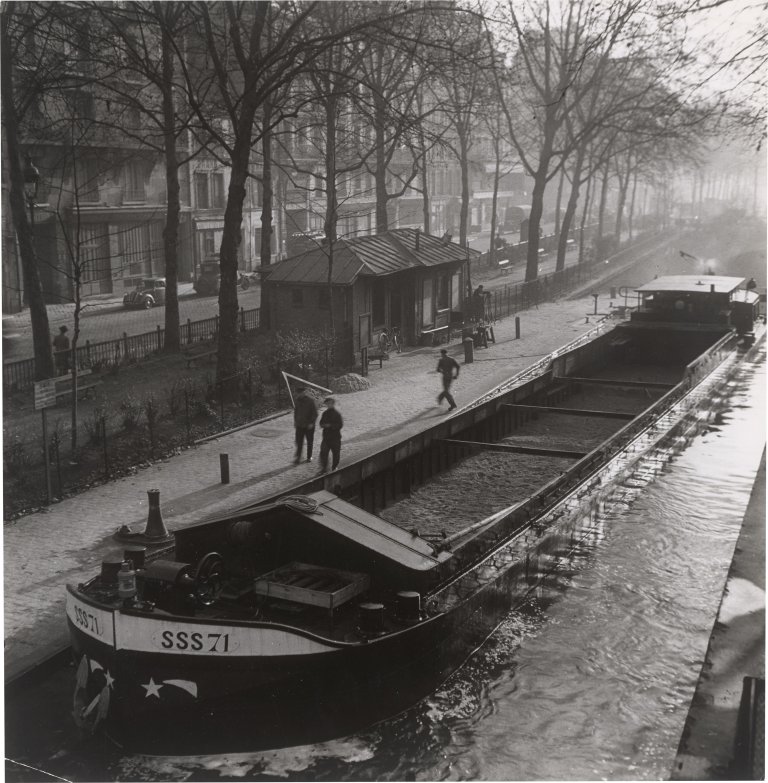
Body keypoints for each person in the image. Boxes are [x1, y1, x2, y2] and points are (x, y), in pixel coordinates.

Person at [292, 386, 318, 465]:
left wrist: (311, 423)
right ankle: (298, 458)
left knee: (309, 441)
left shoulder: (310, 401)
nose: (299, 394)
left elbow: (315, 414)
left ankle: (309, 456)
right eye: (298, 393)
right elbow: (296, 412)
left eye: (300, 393)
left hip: (309, 426)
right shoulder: (297, 401)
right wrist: (295, 421)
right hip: (300, 425)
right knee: (299, 442)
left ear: (304, 393)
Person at [318, 397, 343, 474]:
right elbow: (321, 423)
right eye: (327, 404)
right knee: (323, 453)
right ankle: (324, 468)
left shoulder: (337, 414)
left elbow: (340, 425)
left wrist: (330, 425)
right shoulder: (325, 413)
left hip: (335, 437)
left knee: (336, 453)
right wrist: (323, 425)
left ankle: (334, 467)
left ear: (332, 404)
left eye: (329, 404)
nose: (328, 405)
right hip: (326, 437)